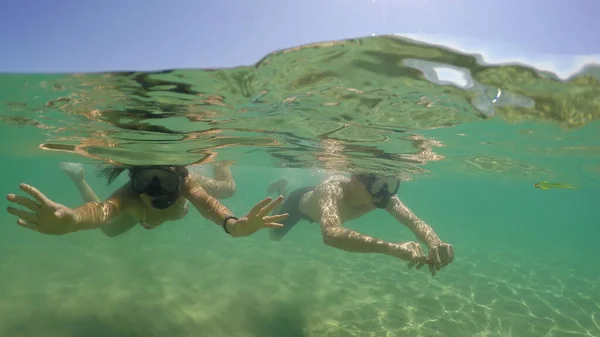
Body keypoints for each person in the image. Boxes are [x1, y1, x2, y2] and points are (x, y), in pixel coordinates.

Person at [6, 163, 289, 238]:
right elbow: (104, 211)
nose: (156, 192)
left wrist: (235, 225)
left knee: (227, 188)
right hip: (142, 219)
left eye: (165, 182)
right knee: (109, 230)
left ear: (179, 179)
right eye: (146, 182)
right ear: (134, 182)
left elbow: (209, 206)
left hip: (192, 182)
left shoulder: (187, 185)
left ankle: (219, 156)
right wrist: (72, 220)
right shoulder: (131, 195)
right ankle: (79, 177)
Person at [266, 173, 454, 276]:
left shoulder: (381, 196)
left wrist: (434, 243)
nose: (384, 192)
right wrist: (393, 248)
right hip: (299, 205)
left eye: (390, 183)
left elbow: (414, 221)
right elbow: (330, 234)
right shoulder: (332, 188)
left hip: (321, 210)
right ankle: (283, 191)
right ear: (354, 179)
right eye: (377, 184)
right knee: (273, 236)